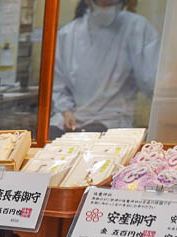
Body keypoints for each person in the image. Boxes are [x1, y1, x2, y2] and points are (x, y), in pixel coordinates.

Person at [50, 0, 160, 137]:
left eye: (112, 4)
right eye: (104, 3)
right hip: (71, 117)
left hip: (112, 119)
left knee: (88, 140)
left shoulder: (137, 28)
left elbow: (150, 80)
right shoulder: (68, 35)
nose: (108, 8)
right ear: (88, 1)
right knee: (51, 137)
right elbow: (57, 83)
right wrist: (65, 111)